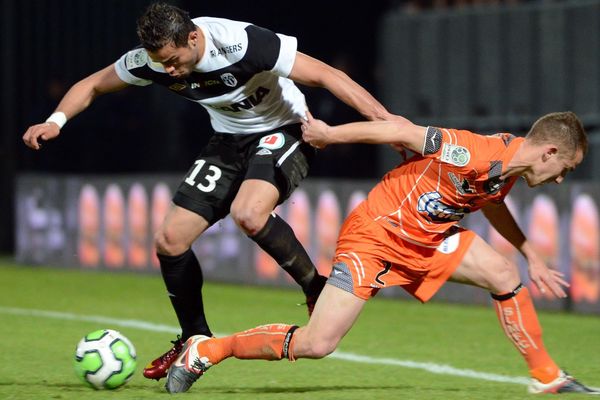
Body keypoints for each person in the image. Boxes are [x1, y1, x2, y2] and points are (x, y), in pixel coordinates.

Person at [21, 3, 393, 381]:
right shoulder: (152, 61)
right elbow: (93, 84)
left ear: (194, 38)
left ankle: (315, 287)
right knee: (169, 240)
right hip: (229, 139)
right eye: (159, 62)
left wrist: (387, 124)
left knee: (248, 213)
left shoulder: (242, 43)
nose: (167, 71)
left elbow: (328, 75)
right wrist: (56, 121)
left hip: (287, 129)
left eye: (173, 60)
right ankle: (194, 337)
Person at [165, 111, 599, 395]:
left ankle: (547, 377)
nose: (562, 179)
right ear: (550, 152)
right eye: (567, 169)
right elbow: (401, 131)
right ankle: (207, 351)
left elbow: (491, 200)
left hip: (427, 240)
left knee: (504, 274)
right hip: (376, 237)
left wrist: (530, 253)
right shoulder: (476, 152)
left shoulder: (507, 170)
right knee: (319, 343)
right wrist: (330, 135)